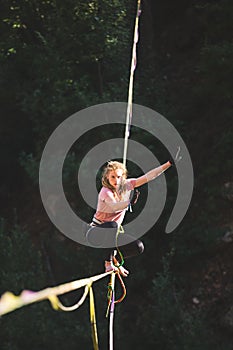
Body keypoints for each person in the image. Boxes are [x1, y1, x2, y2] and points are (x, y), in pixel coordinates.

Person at [87, 158, 175, 277]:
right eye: (112, 177)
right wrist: (128, 203)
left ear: (123, 177)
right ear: (107, 177)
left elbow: (149, 176)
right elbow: (114, 207)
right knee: (112, 225)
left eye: (118, 177)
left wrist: (168, 163)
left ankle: (116, 261)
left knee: (138, 247)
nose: (116, 180)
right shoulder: (105, 191)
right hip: (96, 232)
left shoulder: (127, 185)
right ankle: (108, 263)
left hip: (112, 236)